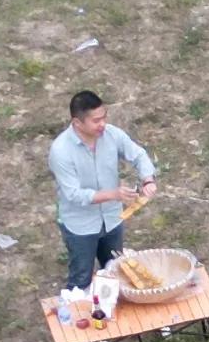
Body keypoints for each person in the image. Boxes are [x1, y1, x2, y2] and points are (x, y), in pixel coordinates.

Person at [50, 89, 160, 292]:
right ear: (77, 123)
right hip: (80, 226)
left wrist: (147, 179)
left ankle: (114, 313)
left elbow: (138, 155)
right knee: (81, 277)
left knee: (116, 271)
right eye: (96, 120)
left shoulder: (112, 134)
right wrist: (114, 195)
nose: (103, 124)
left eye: (104, 117)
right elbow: (74, 195)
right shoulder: (61, 151)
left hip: (112, 219)